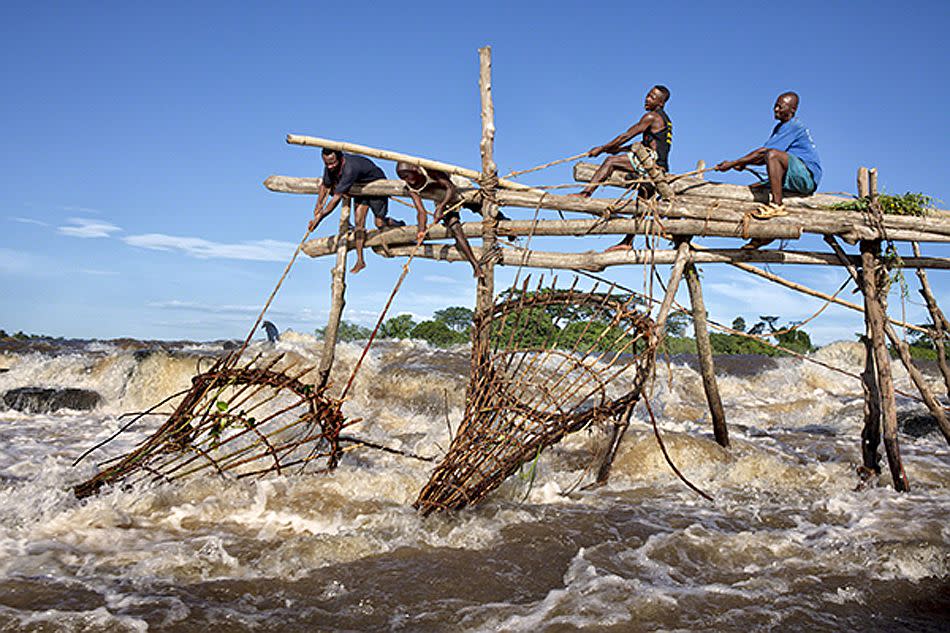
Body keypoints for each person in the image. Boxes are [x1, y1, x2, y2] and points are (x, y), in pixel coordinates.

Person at [714, 91, 822, 248]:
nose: (776, 109)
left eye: (780, 106)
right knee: (754, 190)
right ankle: (764, 235)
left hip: (806, 176)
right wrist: (744, 164)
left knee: (772, 155)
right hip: (792, 175)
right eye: (775, 106)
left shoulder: (793, 126)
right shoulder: (780, 128)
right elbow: (765, 159)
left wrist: (733, 163)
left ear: (792, 110)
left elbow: (767, 153)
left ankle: (777, 205)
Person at [574, 85, 672, 252]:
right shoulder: (665, 120)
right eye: (648, 95)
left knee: (610, 161)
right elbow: (641, 145)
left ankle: (585, 193)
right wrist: (617, 149)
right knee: (640, 206)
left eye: (652, 97)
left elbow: (627, 135)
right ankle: (627, 242)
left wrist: (602, 148)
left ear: (661, 103)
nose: (647, 99)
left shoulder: (651, 117)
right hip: (660, 167)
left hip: (651, 164)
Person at [397, 162, 512, 280]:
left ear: (415, 170)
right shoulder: (411, 188)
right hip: (441, 198)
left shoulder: (429, 170)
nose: (406, 180)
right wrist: (421, 230)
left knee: (480, 208)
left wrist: (441, 208)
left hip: (457, 188)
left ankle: (507, 225)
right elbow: (421, 211)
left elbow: (450, 187)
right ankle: (475, 266)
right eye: (402, 178)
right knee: (455, 228)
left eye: (407, 176)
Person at [309, 149, 405, 273]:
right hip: (360, 189)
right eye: (327, 164)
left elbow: (336, 199)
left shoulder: (349, 169)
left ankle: (397, 224)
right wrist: (318, 205)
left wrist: (319, 219)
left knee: (379, 223)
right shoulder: (329, 167)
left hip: (376, 185)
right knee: (359, 223)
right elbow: (325, 185)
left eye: (333, 163)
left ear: (340, 158)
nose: (330, 166)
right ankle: (360, 261)